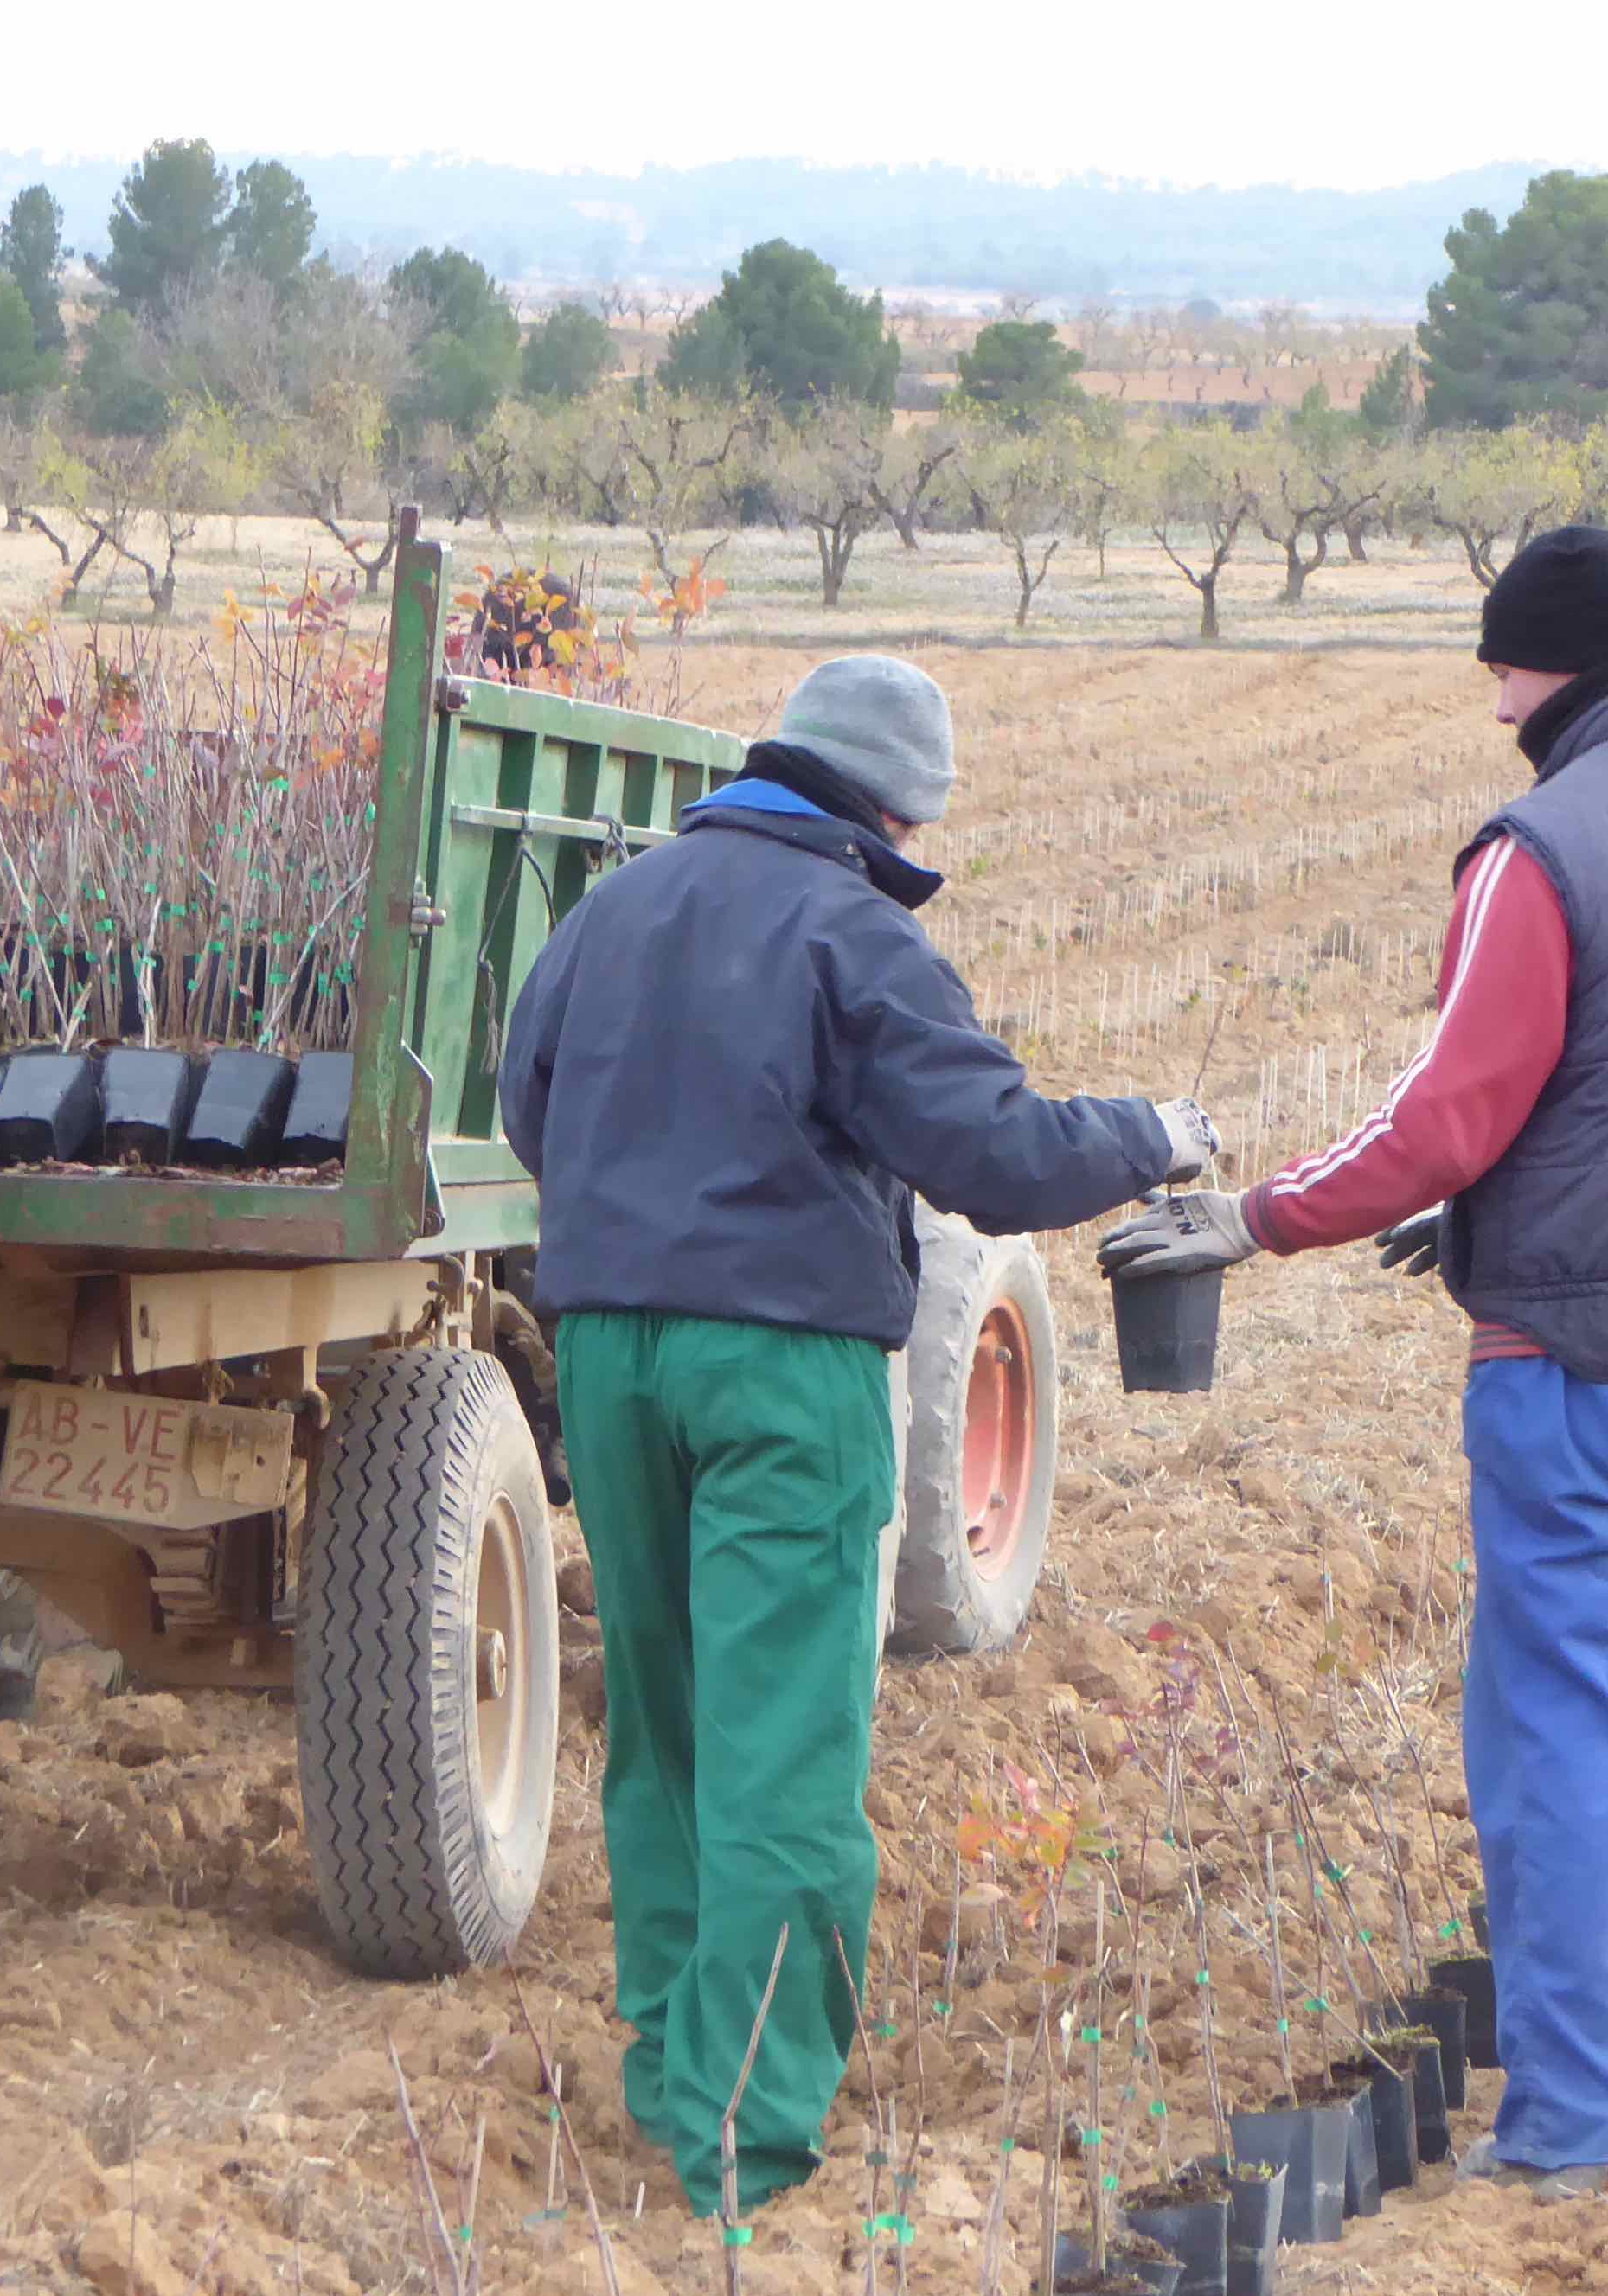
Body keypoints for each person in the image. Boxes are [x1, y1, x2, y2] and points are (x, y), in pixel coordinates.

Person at [1101, 528, 1608, 2197]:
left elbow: (1450, 1112)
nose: (1493, 695)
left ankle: (1577, 2135)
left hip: (1586, 1362)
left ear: (1551, 668)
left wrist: (1259, 1218)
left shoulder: (1544, 844)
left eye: (1499, 665)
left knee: (1569, 1738)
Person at [498, 654, 1214, 2216]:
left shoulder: (611, 911)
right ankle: (745, 2140)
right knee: (786, 1752)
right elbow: (996, 1157)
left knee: (670, 1725)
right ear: (890, 808)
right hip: (786, 1372)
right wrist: (1152, 1136)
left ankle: (670, 2070)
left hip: (609, 1354)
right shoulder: (854, 934)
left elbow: (525, 1105)